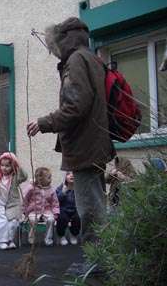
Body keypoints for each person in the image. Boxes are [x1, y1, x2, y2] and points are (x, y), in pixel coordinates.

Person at [26, 17, 115, 244]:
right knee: (95, 202)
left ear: (63, 41)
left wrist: (44, 122)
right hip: (94, 144)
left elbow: (76, 105)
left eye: (53, 46)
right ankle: (99, 261)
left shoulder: (76, 60)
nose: (53, 52)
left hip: (85, 147)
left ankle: (96, 264)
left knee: (90, 208)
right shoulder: (91, 58)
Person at [0, 152, 28, 250]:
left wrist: (17, 163)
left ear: (12, 166)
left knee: (13, 222)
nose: (4, 168)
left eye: (7, 166)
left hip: (13, 204)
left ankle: (10, 240)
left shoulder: (15, 176)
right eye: (2, 165)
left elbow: (24, 176)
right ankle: (2, 242)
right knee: (1, 222)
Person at [23, 167, 60, 246]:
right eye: (49, 178)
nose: (51, 179)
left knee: (51, 220)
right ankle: (31, 238)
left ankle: (48, 238)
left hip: (47, 211)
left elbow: (55, 202)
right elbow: (25, 198)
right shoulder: (31, 187)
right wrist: (25, 211)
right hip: (34, 211)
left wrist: (55, 213)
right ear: (40, 179)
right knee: (33, 220)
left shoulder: (51, 189)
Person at [56, 171, 80, 246]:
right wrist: (63, 192)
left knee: (78, 217)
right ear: (65, 177)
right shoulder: (61, 187)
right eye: (69, 174)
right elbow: (56, 201)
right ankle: (62, 236)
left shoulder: (78, 188)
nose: (71, 175)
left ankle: (73, 235)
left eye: (73, 173)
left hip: (75, 209)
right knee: (62, 217)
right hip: (64, 209)